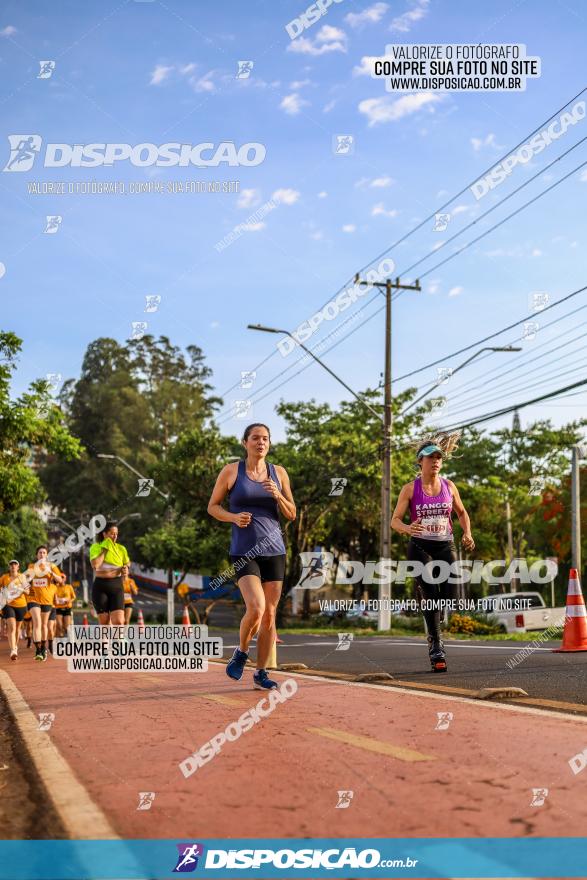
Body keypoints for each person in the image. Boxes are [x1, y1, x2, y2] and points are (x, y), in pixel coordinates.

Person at [208, 423, 296, 689]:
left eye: (265, 439)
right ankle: (242, 651)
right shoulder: (231, 471)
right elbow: (213, 507)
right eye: (255, 438)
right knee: (256, 608)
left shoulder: (278, 473)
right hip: (244, 551)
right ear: (245, 442)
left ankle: (261, 673)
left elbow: (292, 513)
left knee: (269, 615)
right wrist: (233, 517)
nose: (261, 442)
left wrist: (278, 494)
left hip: (275, 551)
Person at [391, 433, 475, 672]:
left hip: (444, 543)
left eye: (439, 457)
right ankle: (436, 647)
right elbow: (394, 521)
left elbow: (462, 513)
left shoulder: (449, 486)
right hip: (419, 545)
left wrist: (467, 533)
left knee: (450, 594)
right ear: (420, 461)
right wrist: (408, 528)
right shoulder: (409, 489)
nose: (436, 461)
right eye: (430, 457)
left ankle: (429, 603)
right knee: (430, 594)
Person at [26, 547, 66, 662]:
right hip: (33, 599)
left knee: (44, 625)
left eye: (44, 553)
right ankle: (38, 650)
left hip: (47, 600)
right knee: (37, 623)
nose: (42, 554)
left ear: (47, 555)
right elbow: (26, 580)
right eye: (40, 553)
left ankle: (44, 647)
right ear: (36, 555)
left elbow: (60, 580)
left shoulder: (52, 566)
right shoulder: (31, 567)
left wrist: (51, 572)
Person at [89, 522, 130, 627]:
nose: (115, 536)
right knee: (105, 623)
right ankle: (105, 644)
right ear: (104, 534)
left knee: (119, 621)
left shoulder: (121, 549)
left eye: (116, 534)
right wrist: (105, 550)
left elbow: (127, 564)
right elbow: (96, 565)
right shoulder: (96, 547)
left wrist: (125, 569)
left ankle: (118, 643)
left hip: (116, 586)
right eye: (112, 533)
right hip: (100, 586)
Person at [0, 560, 27, 661]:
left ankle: (15, 646)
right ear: (9, 567)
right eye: (11, 565)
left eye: (15, 565)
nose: (13, 566)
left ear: (18, 567)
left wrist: (21, 590)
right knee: (12, 627)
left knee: (17, 628)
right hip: (8, 605)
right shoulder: (4, 577)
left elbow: (28, 591)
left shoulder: (22, 577)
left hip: (21, 605)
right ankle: (13, 650)